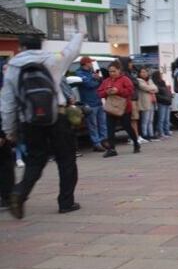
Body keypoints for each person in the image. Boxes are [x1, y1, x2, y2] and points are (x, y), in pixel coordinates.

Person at [0, 33, 83, 219]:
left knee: (35, 160)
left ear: (21, 46)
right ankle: (66, 202)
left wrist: (9, 131)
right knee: (66, 159)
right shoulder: (53, 60)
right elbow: (72, 50)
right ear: (41, 45)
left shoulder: (11, 67)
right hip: (57, 116)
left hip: (29, 120)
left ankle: (20, 193)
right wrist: (78, 34)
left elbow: (7, 103)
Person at [98, 60, 139, 157]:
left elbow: (130, 91)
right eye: (110, 71)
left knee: (127, 126)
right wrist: (106, 92)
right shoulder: (106, 81)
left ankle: (136, 143)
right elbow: (99, 93)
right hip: (111, 108)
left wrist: (118, 90)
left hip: (124, 108)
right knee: (110, 129)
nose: (111, 73)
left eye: (114, 71)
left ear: (119, 70)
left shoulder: (125, 79)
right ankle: (111, 149)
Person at [75, 56, 107, 151]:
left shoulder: (92, 72)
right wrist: (97, 80)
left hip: (98, 100)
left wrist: (98, 79)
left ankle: (104, 140)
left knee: (102, 123)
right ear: (85, 63)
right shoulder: (79, 73)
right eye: (90, 62)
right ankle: (96, 143)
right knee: (93, 125)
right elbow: (89, 84)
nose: (91, 64)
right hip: (89, 102)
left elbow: (102, 82)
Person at [119, 57, 145, 145]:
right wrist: (136, 82)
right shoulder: (124, 74)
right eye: (130, 63)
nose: (132, 65)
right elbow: (135, 83)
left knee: (136, 118)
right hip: (131, 99)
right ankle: (134, 137)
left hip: (135, 98)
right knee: (133, 119)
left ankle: (137, 136)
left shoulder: (130, 73)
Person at [136, 67, 158, 141]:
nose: (144, 73)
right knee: (145, 120)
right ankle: (144, 134)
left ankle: (151, 134)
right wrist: (151, 89)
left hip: (152, 102)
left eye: (145, 72)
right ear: (139, 73)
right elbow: (146, 88)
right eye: (142, 72)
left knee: (150, 120)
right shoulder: (139, 80)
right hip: (144, 102)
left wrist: (151, 89)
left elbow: (156, 89)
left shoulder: (150, 80)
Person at [152, 71, 173, 139]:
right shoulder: (155, 83)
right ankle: (161, 133)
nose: (161, 76)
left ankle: (166, 131)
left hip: (167, 101)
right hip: (161, 102)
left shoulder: (163, 82)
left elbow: (167, 91)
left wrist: (169, 97)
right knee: (161, 118)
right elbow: (157, 94)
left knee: (167, 118)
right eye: (160, 74)